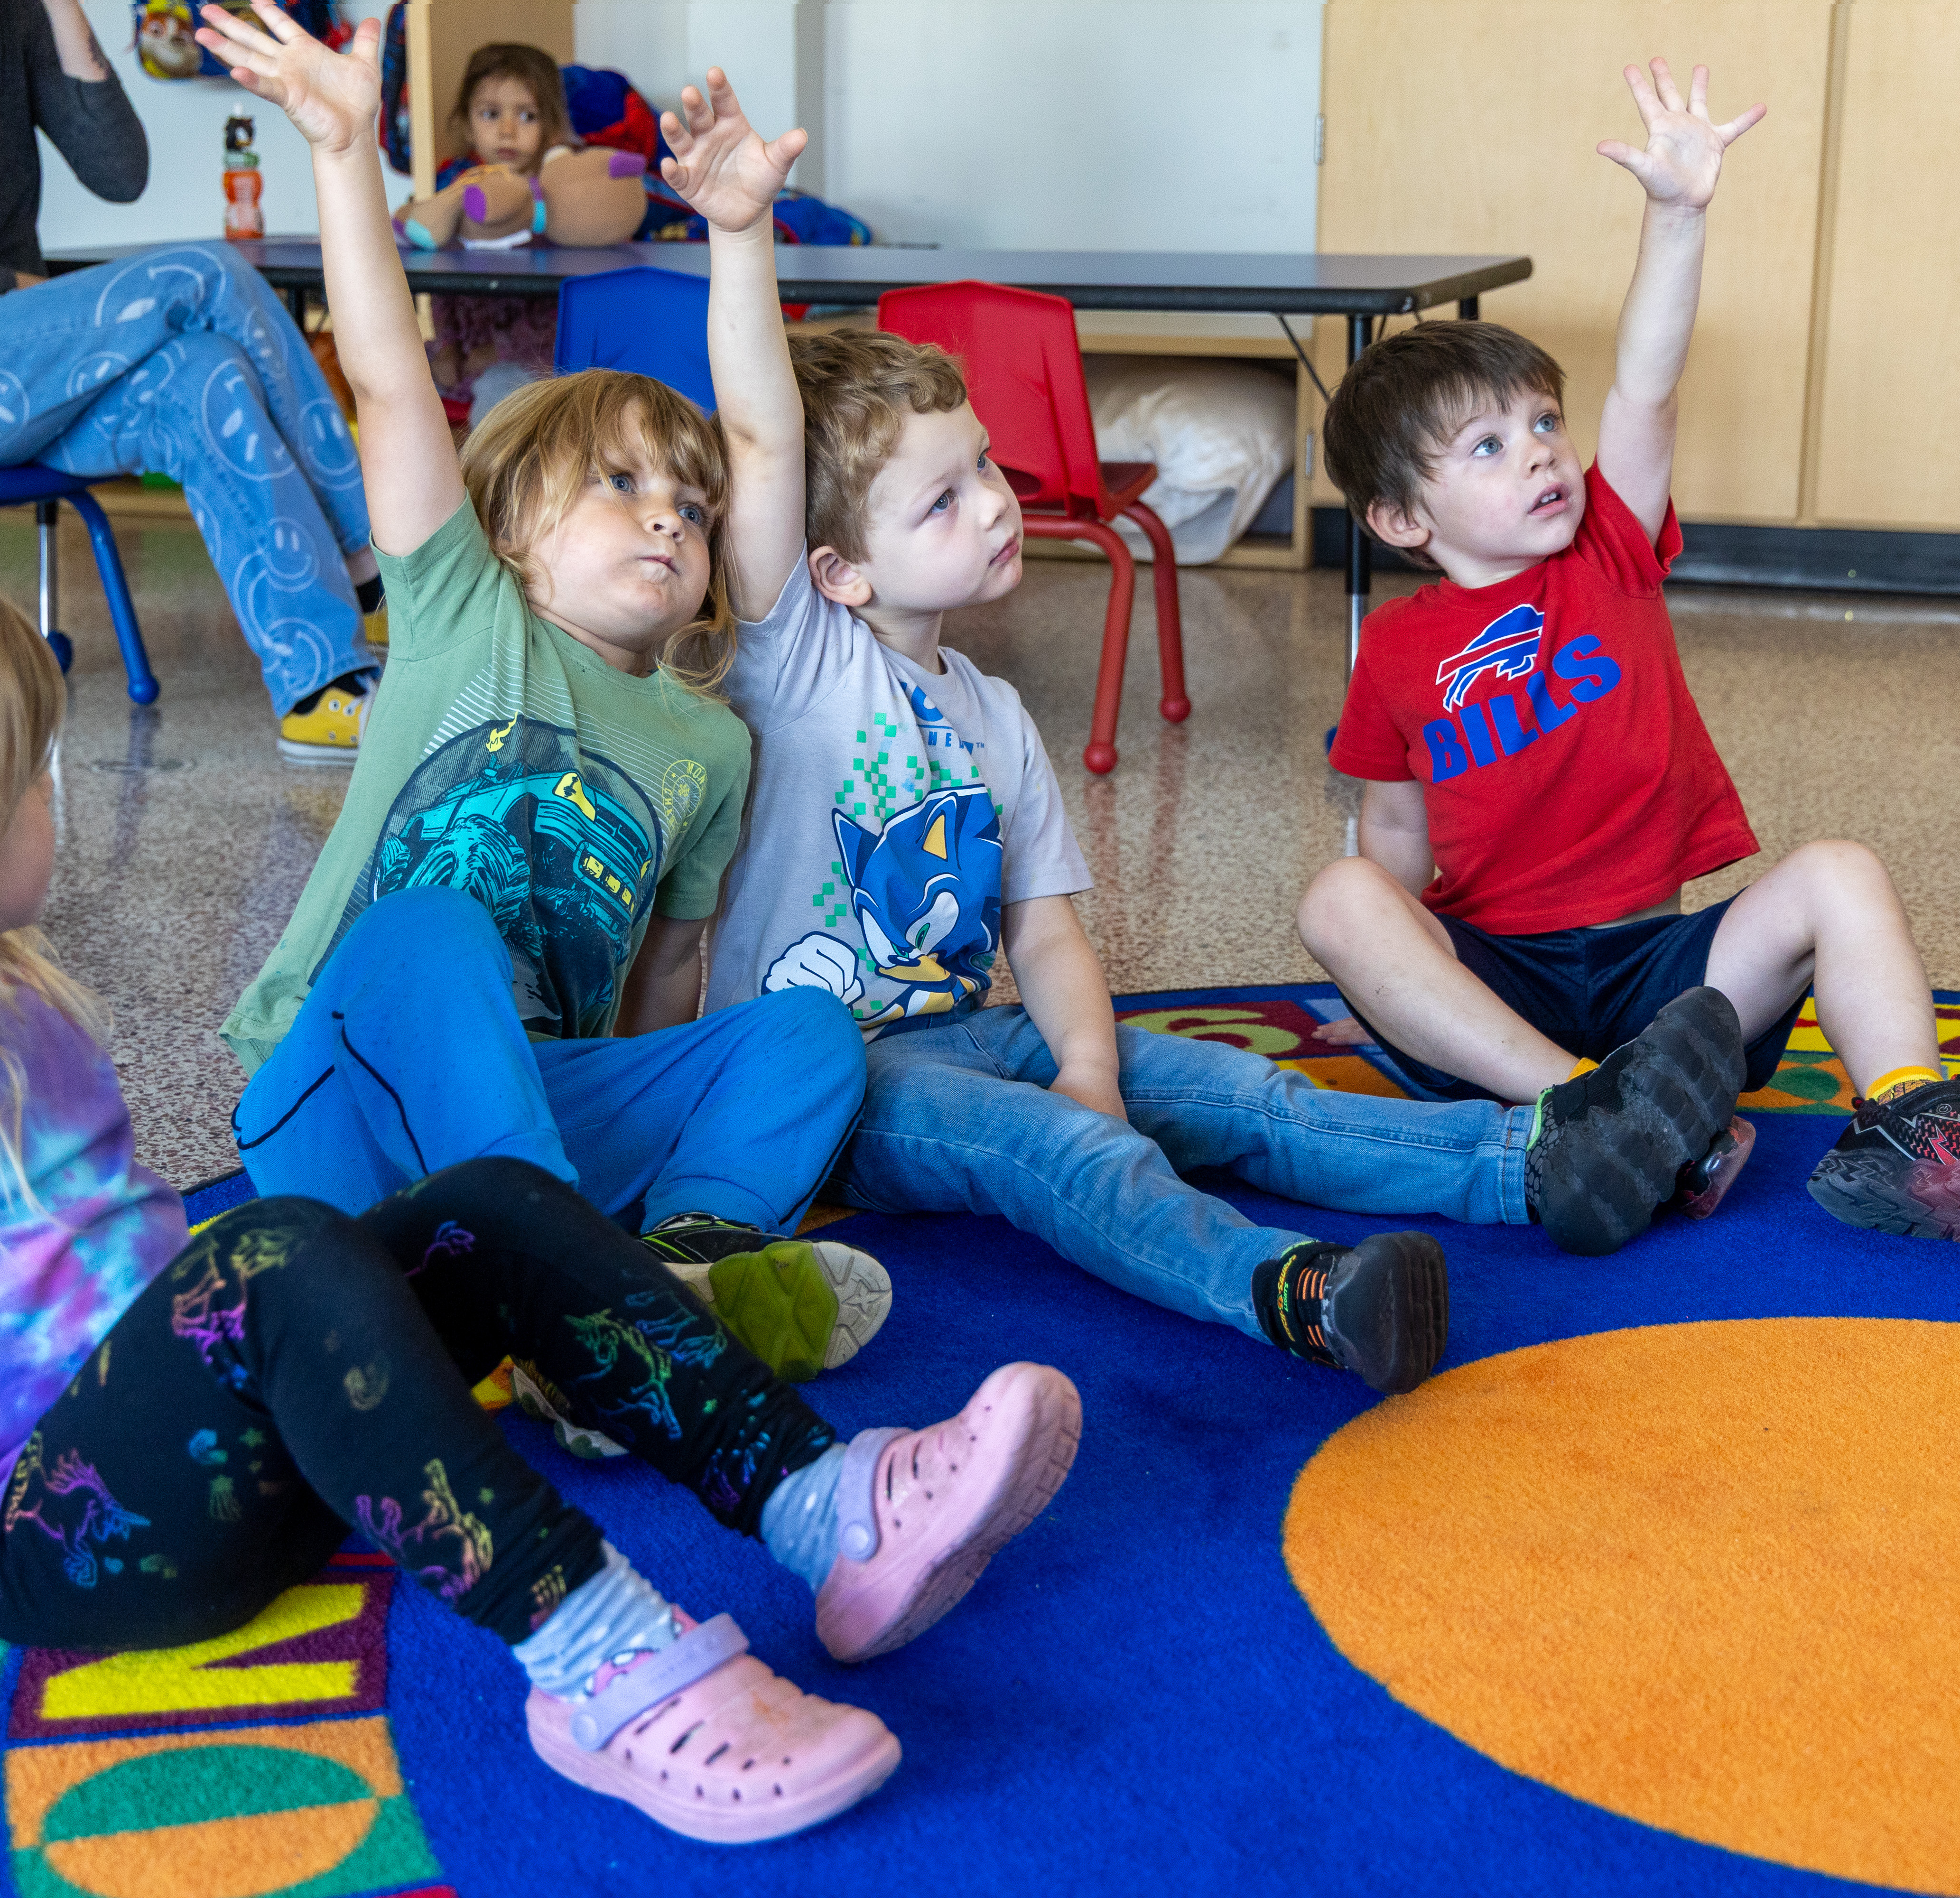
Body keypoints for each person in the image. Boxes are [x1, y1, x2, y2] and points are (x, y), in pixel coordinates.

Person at [0, 560, 1081, 1846]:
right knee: (271, 1255)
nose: (59, 797)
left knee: (485, 1204)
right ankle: (608, 1668)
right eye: (33, 779)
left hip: (208, 1445)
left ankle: (821, 1507)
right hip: (65, 1539)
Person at [668, 71, 1744, 1401]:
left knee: (1250, 1101)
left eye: (989, 469)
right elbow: (764, 440)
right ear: (836, 571)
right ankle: (1289, 1292)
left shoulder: (991, 716)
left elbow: (1047, 933)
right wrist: (735, 235)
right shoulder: (798, 657)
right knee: (1074, 1159)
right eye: (944, 502)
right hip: (834, 1090)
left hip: (976, 1028)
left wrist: (1087, 1059)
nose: (999, 506)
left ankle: (1546, 1163)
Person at [208, 4, 890, 1381]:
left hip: (537, 1115)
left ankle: (687, 1262)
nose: (670, 523)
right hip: (336, 1104)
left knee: (814, 1034)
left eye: (694, 512)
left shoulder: (707, 739)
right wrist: (344, 150)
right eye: (623, 487)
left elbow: (662, 988)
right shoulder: (465, 610)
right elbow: (394, 388)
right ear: (511, 527)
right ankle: (575, 1299)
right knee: (432, 933)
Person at [1296, 59, 1960, 1248]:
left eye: (1546, 424)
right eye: (1489, 447)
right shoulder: (1398, 653)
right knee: (1338, 893)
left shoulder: (1609, 549)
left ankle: (1912, 1128)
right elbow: (1393, 851)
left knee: (1841, 871)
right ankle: (1587, 1107)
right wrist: (1403, 992)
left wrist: (1677, 214)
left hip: (1667, 983)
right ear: (1403, 519)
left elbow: (1650, 385)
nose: (1542, 455)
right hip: (1502, 986)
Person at [0, 0, 385, 766]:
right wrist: (30, 295)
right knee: (206, 275)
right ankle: (377, 561)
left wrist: (63, 9)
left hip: (11, 376)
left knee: (202, 376)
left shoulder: (8, 14)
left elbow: (122, 174)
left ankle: (319, 688)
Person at [411, 42, 573, 423]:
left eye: (528, 116)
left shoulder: (556, 206)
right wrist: (449, 349)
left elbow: (557, 312)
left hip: (534, 360)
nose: (507, 131)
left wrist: (497, 351)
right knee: (396, 376)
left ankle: (486, 483)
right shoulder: (458, 194)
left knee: (501, 395)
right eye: (490, 114)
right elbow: (442, 285)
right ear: (468, 124)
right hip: (465, 354)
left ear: (551, 127)